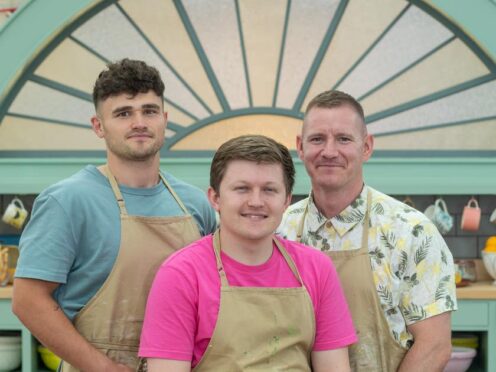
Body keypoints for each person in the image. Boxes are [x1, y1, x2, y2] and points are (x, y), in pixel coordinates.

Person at [12, 59, 217, 372]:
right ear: (98, 126)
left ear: (165, 119)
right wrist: (103, 367)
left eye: (149, 111)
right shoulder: (67, 201)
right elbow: (28, 301)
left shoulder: (194, 203)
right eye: (123, 113)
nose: (139, 122)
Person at [138, 135, 357, 371]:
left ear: (286, 200)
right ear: (215, 198)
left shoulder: (317, 269)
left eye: (269, 190)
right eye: (242, 189)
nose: (256, 201)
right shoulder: (181, 275)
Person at [277, 90, 457, 371]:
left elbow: (435, 346)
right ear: (300, 147)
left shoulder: (412, 232)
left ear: (367, 147)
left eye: (344, 139)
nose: (329, 151)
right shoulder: (279, 230)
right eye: (317, 139)